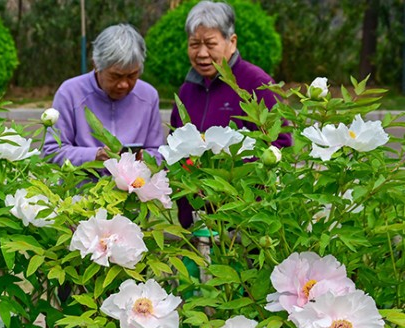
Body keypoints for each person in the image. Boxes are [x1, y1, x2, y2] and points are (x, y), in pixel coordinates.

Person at [171, 1, 291, 226]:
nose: (202, 53)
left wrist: (237, 173)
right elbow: (176, 145)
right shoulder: (187, 90)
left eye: (210, 43)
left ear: (231, 42)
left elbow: (281, 143)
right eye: (194, 44)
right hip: (198, 220)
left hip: (244, 219)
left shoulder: (255, 83)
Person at [43, 24, 165, 166]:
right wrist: (93, 156)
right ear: (96, 65)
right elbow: (51, 151)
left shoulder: (148, 96)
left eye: (132, 75)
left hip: (135, 186)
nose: (123, 84)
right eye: (115, 76)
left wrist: (145, 158)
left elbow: (158, 152)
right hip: (82, 186)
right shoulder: (69, 93)